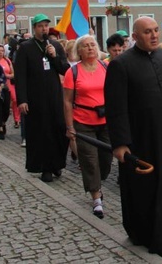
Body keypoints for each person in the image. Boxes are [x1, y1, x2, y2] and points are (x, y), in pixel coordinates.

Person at [105, 17, 162, 256]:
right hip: (142, 139)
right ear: (135, 37)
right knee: (146, 190)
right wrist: (120, 143)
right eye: (148, 32)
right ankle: (146, 234)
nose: (154, 35)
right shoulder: (121, 64)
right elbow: (116, 108)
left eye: (156, 30)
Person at [15, 14, 70, 183]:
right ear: (34, 28)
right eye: (40, 26)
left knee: (59, 129)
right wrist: (22, 99)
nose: (44, 29)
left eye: (46, 26)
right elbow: (20, 76)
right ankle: (44, 167)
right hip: (35, 97)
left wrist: (54, 57)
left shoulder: (54, 46)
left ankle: (57, 163)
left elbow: (65, 70)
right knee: (42, 132)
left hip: (54, 95)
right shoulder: (25, 48)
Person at [64, 35, 112, 219]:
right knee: (89, 161)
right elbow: (67, 101)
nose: (90, 48)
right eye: (85, 46)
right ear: (79, 51)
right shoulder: (73, 72)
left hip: (105, 121)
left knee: (106, 160)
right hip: (83, 122)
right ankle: (96, 198)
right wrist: (70, 126)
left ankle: (97, 183)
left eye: (93, 45)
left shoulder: (106, 67)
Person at [0, 44, 18, 131]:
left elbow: (13, 73)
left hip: (8, 85)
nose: (0, 53)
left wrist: (5, 76)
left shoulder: (7, 60)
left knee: (9, 105)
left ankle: (4, 121)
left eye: (2, 51)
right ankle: (0, 126)